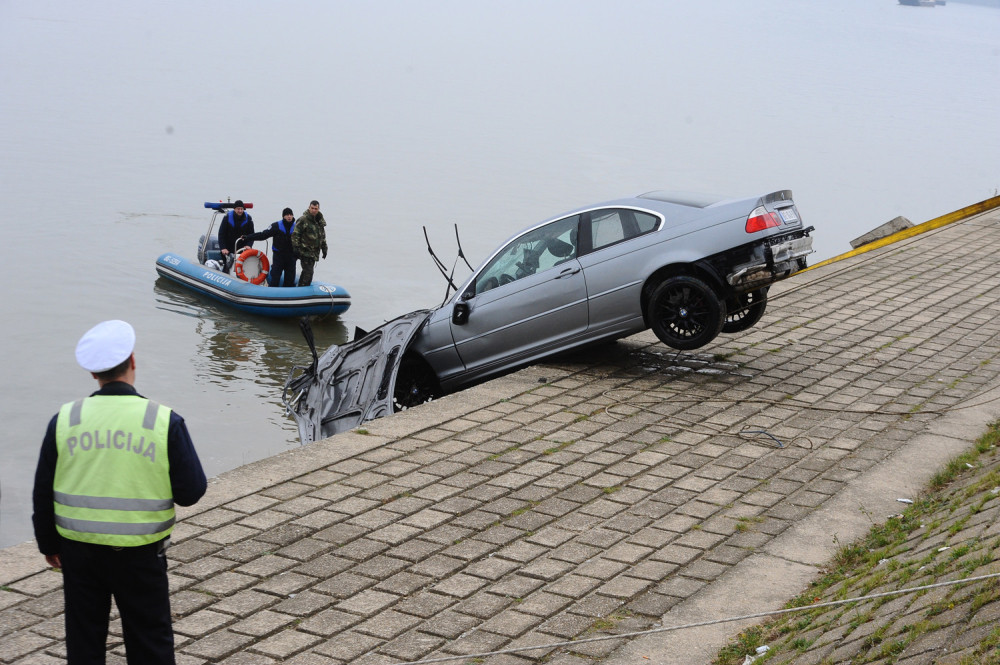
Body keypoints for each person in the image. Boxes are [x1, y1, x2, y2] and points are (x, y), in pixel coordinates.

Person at [32, 320, 207, 665]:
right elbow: (191, 491)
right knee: (149, 638)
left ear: (93, 374)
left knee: (84, 637)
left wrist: (48, 545)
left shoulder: (66, 420)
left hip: (79, 552)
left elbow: (42, 491)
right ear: (133, 361)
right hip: (141, 554)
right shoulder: (162, 420)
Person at [242, 207, 298, 287]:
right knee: (275, 278)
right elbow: (263, 235)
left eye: (290, 215)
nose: (289, 216)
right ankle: (273, 294)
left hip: (291, 257)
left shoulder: (297, 227)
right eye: (287, 215)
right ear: (283, 216)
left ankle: (288, 296)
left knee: (290, 279)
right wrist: (248, 237)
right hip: (279, 257)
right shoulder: (276, 226)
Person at [290, 200, 328, 287]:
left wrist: (324, 248)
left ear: (318, 209)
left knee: (308, 272)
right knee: (308, 272)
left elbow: (322, 236)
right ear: (309, 208)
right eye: (312, 208)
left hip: (314, 252)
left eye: (316, 208)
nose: (314, 210)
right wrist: (295, 247)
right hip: (305, 251)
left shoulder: (319, 221)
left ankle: (301, 287)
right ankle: (302, 289)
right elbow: (296, 234)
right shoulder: (303, 219)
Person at [217, 200, 254, 273]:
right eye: (238, 209)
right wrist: (223, 248)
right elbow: (221, 234)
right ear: (234, 209)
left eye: (241, 209)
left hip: (242, 247)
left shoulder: (248, 219)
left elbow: (252, 234)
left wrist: (248, 245)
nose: (240, 211)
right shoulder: (227, 218)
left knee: (244, 264)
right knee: (227, 265)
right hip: (228, 248)